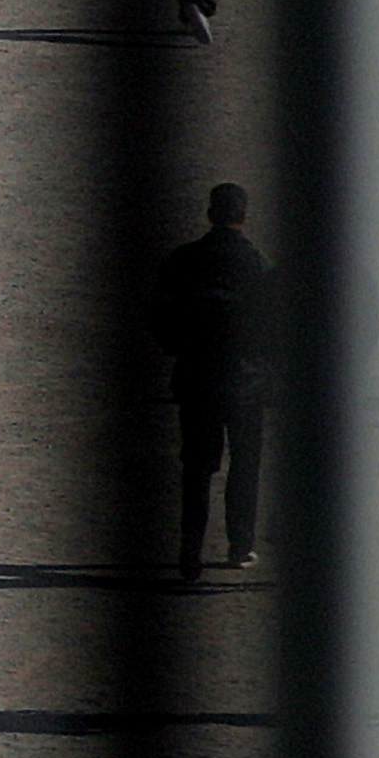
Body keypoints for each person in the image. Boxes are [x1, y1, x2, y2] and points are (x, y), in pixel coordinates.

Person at [147, 183, 274, 579]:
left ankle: (191, 546)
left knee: (197, 467)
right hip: (245, 381)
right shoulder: (255, 265)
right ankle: (239, 545)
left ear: (209, 213)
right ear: (243, 215)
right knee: (245, 465)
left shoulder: (184, 260)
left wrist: (176, 348)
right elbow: (269, 325)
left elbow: (161, 314)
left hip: (197, 376)